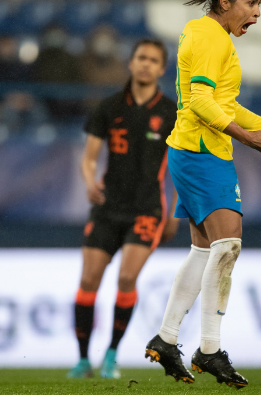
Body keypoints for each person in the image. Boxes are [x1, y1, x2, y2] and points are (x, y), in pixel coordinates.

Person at [143, 0, 261, 389]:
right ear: (224, 1)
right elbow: (200, 101)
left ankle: (166, 339)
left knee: (206, 251)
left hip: (198, 150)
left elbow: (224, 102)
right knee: (228, 245)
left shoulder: (210, 36)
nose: (257, 13)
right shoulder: (208, 37)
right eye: (251, 4)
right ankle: (210, 349)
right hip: (201, 152)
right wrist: (245, 137)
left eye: (260, 5)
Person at [67, 38, 180, 380]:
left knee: (127, 277)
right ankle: (84, 359)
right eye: (140, 58)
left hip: (147, 209)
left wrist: (178, 208)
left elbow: (183, 166)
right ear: (130, 64)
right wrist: (89, 181)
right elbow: (89, 159)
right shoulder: (108, 107)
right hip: (107, 206)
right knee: (88, 279)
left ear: (162, 69)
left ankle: (112, 355)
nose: (145, 64)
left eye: (153, 60)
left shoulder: (172, 113)